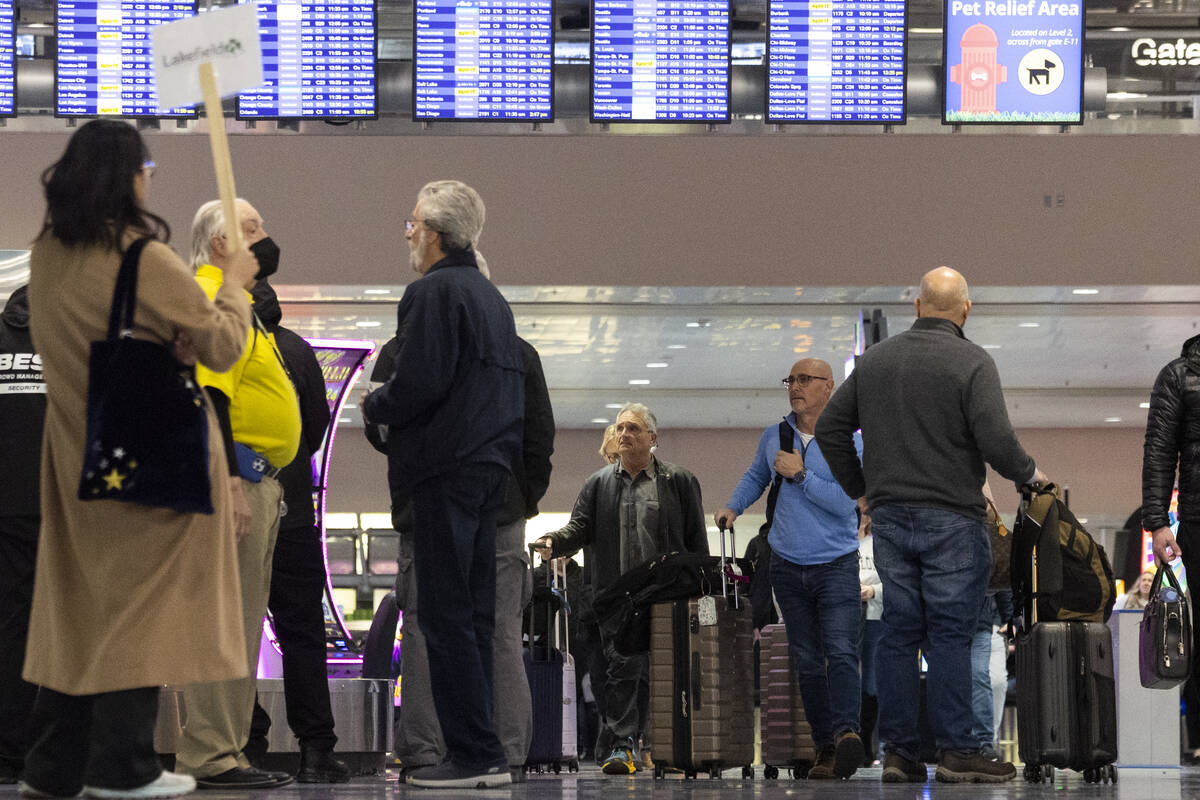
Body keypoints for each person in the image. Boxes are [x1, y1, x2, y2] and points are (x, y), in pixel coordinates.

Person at [21, 119, 256, 799]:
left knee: (76, 608)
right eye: (145, 164)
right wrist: (233, 283)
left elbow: (100, 335)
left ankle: (53, 766)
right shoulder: (144, 257)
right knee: (140, 605)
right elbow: (219, 346)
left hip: (72, 454)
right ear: (127, 175)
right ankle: (124, 765)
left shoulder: (46, 256)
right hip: (148, 457)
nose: (150, 174)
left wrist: (167, 338)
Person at [816, 266, 1045, 784]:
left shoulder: (875, 361)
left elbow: (831, 428)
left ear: (917, 308)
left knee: (899, 632)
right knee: (949, 636)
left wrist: (862, 490)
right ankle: (958, 751)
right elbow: (996, 440)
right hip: (953, 519)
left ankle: (898, 753)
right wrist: (1032, 474)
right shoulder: (972, 361)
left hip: (892, 517)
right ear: (966, 311)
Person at [366, 252, 555, 785]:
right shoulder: (518, 353)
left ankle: (428, 750)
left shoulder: (403, 351)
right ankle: (506, 752)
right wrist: (521, 495)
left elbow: (385, 425)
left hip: (434, 504)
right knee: (497, 633)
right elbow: (538, 435)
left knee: (430, 626)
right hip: (501, 508)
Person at [173, 199, 301, 791]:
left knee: (241, 622)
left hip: (254, 478)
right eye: (252, 229)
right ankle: (211, 754)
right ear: (220, 243)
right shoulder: (213, 297)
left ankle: (225, 748)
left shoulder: (240, 303)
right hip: (235, 477)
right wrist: (228, 478)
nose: (265, 239)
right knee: (225, 621)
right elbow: (208, 393)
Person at [533, 402, 708, 776]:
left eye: (633, 429)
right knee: (621, 670)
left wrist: (700, 593)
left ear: (653, 439)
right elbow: (578, 529)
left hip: (664, 595)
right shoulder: (598, 484)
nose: (624, 434)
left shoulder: (679, 481)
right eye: (620, 428)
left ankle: (652, 746)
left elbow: (696, 544)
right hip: (616, 598)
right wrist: (554, 543)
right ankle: (622, 745)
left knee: (661, 674)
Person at [715, 358, 866, 780]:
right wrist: (732, 505)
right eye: (791, 380)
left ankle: (847, 735)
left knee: (840, 651)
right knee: (806, 660)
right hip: (786, 565)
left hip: (835, 564)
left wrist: (801, 477)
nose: (795, 387)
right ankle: (825, 749)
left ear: (828, 387)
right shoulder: (775, 435)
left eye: (805, 379)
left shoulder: (850, 443)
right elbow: (755, 477)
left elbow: (845, 502)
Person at [243, 279, 349, 783]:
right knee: (303, 633)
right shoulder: (298, 351)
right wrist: (285, 462)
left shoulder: (230, 346)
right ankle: (315, 750)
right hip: (294, 510)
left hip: (241, 501)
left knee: (237, 630)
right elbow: (316, 424)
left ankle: (245, 739)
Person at [0, 285, 45, 784]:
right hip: (60, 508)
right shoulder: (70, 338)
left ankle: (8, 752)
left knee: (10, 626)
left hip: (5, 507)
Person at [858, 510, 884, 766]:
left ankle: (869, 742)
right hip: (847, 617)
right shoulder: (843, 542)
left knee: (872, 683)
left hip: (876, 617)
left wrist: (873, 590)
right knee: (850, 677)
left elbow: (895, 580)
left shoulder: (880, 544)